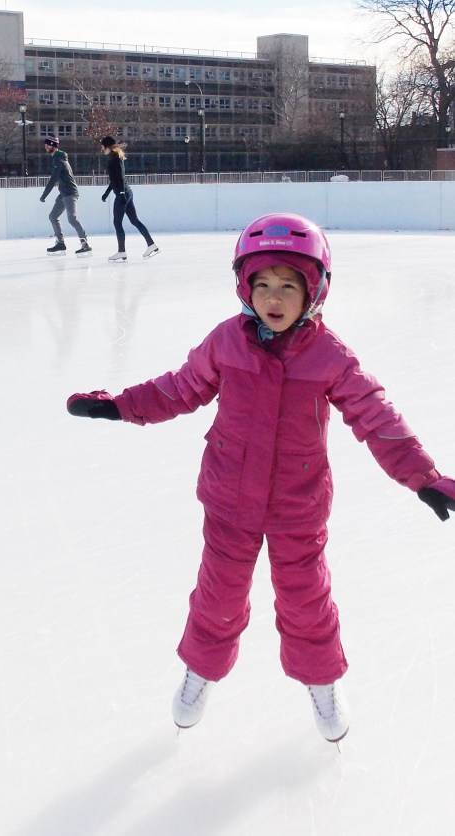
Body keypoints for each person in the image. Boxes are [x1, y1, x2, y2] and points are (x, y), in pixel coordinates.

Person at [66, 212, 455, 743]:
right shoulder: (226, 342)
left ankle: (322, 682)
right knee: (218, 596)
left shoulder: (331, 357)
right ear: (244, 288)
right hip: (229, 499)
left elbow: (376, 417)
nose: (274, 297)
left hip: (298, 505)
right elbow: (179, 388)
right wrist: (119, 406)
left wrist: (423, 476)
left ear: (313, 291)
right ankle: (199, 673)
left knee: (306, 600)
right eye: (263, 284)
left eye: (289, 286)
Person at [100, 136, 159, 262]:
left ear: (107, 147)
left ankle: (121, 251)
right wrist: (106, 193)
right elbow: (114, 180)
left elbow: (120, 177)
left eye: (102, 146)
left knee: (117, 223)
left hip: (123, 194)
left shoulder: (115, 159)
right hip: (127, 193)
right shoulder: (115, 158)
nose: (101, 149)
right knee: (134, 220)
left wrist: (121, 193)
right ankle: (151, 245)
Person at [40, 135, 92, 257]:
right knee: (53, 216)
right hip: (63, 193)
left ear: (53, 146)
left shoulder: (58, 160)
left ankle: (85, 244)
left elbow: (53, 179)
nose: (45, 147)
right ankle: (60, 243)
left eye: (47, 145)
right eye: (45, 145)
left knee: (72, 219)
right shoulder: (57, 158)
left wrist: (44, 195)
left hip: (70, 193)